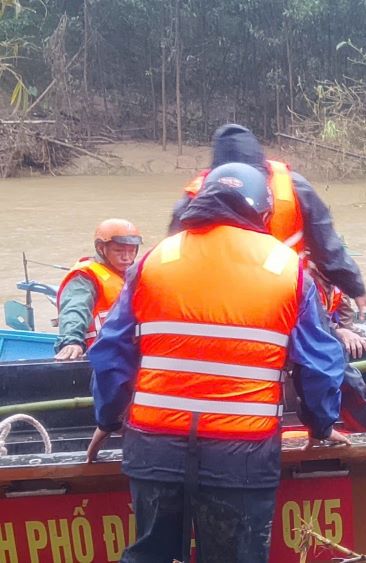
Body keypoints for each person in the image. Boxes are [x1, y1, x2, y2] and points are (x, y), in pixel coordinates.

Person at [85, 163, 351, 562]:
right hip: (242, 453)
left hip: (154, 448)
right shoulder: (286, 268)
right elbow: (319, 363)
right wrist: (321, 424)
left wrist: (106, 419)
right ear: (263, 213)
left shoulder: (155, 260)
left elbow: (111, 352)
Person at [168, 123, 366, 319]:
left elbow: (327, 245)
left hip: (278, 296)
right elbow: (173, 258)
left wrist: (356, 289)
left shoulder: (296, 189)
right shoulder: (192, 198)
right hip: (238, 299)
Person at [54, 218, 142, 360]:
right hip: (95, 358)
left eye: (132, 251)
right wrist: (71, 340)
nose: (126, 257)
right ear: (101, 248)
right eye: (118, 250)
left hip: (122, 357)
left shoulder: (133, 275)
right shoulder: (85, 276)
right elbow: (75, 307)